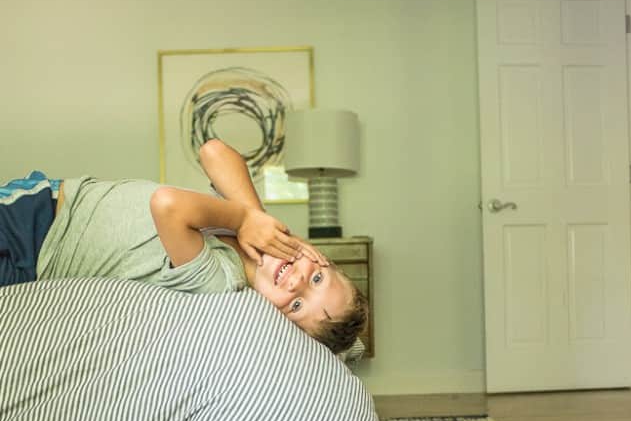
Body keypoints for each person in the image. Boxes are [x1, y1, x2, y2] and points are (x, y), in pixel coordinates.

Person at [0, 141, 367, 354]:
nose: (295, 282)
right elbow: (214, 151)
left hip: (43, 234)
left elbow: (168, 205)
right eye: (317, 277)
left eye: (298, 305)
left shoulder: (223, 280)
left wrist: (242, 220)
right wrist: (257, 217)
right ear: (319, 255)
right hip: (40, 209)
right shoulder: (255, 228)